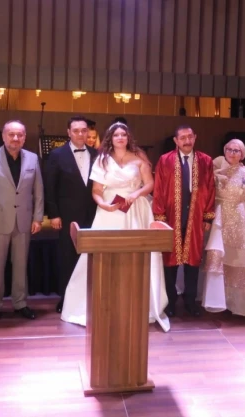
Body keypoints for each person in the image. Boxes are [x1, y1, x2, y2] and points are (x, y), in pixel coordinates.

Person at [61, 122, 170, 330]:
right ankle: (101, 304)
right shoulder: (102, 160)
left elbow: (150, 184)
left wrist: (136, 193)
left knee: (135, 255)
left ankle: (136, 304)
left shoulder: (138, 158)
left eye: (124, 134)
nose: (120, 138)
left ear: (128, 138)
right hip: (109, 211)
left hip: (135, 209)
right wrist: (104, 205)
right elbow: (96, 190)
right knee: (103, 254)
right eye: (116, 135)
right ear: (110, 138)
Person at [0, 120, 44, 324]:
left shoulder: (32, 158)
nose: (16, 138)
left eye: (20, 135)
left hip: (24, 220)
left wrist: (38, 217)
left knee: (21, 264)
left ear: (24, 137)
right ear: (3, 136)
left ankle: (20, 302)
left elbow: (38, 191)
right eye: (11, 134)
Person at [153, 125, 216, 317]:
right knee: (170, 261)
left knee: (193, 261)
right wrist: (160, 218)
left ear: (195, 137)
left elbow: (210, 188)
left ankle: (190, 301)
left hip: (195, 216)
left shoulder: (205, 161)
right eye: (182, 138)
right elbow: (158, 189)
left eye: (190, 137)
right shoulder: (165, 160)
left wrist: (207, 216)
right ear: (176, 140)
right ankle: (170, 302)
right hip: (171, 216)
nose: (187, 141)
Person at [201, 139, 245, 318]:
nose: (232, 153)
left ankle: (237, 303)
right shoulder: (215, 168)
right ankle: (217, 299)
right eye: (229, 149)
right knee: (218, 258)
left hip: (240, 217)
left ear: (242, 154)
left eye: (236, 150)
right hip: (219, 216)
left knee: (240, 259)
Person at [44, 116, 98, 313]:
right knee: (67, 257)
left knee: (89, 257)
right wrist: (54, 214)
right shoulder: (57, 155)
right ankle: (66, 298)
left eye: (84, 130)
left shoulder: (96, 154)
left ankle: (88, 296)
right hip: (67, 216)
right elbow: (49, 186)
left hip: (93, 214)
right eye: (76, 131)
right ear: (68, 132)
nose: (80, 134)